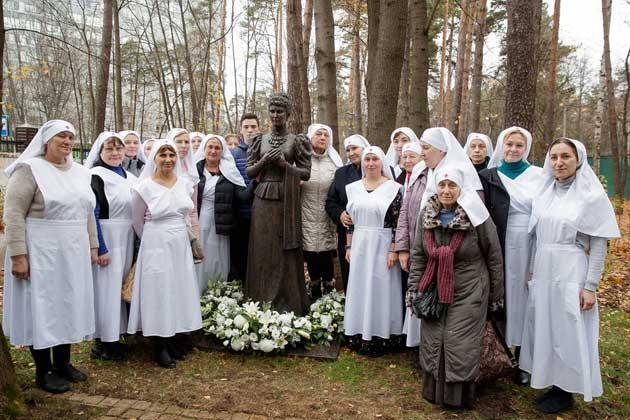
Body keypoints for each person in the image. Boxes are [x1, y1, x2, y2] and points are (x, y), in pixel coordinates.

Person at [519, 138, 620, 413]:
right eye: (553, 157)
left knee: (567, 328)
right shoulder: (544, 192)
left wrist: (590, 286)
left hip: (571, 268)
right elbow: (536, 235)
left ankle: (566, 390)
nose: (559, 163)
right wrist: (531, 269)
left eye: (565, 157)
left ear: (579, 160)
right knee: (546, 325)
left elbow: (599, 243)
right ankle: (549, 379)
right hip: (544, 266)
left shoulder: (590, 196)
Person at [3, 120, 98, 394]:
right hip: (41, 249)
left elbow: (87, 212)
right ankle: (43, 370)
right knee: (43, 307)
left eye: (70, 137)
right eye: (61, 137)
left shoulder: (81, 172)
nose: (67, 141)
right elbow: (13, 215)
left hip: (73, 250)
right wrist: (18, 255)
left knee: (67, 304)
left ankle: (63, 363)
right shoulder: (29, 170)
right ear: (46, 141)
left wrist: (92, 246)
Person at [407, 166, 504, 409]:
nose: (447, 191)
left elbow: (493, 255)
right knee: (434, 335)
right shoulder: (426, 214)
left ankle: (458, 396)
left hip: (470, 286)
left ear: (462, 188)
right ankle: (434, 390)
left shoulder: (475, 215)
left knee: (459, 339)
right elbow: (419, 255)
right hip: (434, 287)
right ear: (435, 187)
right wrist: (414, 290)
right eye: (442, 185)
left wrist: (495, 293)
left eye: (452, 186)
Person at [127, 139, 202, 369]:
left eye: (171, 155)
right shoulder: (144, 187)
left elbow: (189, 215)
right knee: (159, 290)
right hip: (156, 243)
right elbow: (137, 221)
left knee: (179, 289)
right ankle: (159, 345)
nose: (168, 159)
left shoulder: (185, 184)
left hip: (179, 243)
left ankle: (177, 338)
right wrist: (154, 238)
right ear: (154, 159)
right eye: (163, 155)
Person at [478, 126, 543, 385]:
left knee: (526, 299)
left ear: (526, 148)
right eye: (509, 144)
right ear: (501, 147)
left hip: (529, 241)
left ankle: (525, 359)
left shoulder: (538, 175)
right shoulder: (489, 177)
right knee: (500, 295)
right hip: (499, 240)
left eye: (519, 145)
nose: (513, 149)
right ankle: (498, 353)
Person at [244, 93, 311, 315]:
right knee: (263, 249)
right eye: (272, 111)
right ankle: (259, 301)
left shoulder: (297, 141)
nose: (275, 115)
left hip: (286, 201)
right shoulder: (259, 140)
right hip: (263, 200)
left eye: (280, 111)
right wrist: (264, 161)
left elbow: (306, 173)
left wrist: (284, 165)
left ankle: (287, 303)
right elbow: (249, 171)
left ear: (288, 114)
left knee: (284, 252)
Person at [84, 131, 138, 362]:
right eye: (109, 149)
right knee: (106, 289)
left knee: (120, 288)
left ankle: (116, 336)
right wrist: (100, 247)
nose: (115, 153)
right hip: (108, 235)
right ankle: (104, 342)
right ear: (100, 151)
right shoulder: (96, 176)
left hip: (126, 236)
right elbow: (93, 213)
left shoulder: (130, 177)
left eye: (119, 148)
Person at [344, 146, 403, 356]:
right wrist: (349, 245)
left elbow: (399, 222)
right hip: (360, 244)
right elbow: (350, 222)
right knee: (361, 287)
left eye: (375, 159)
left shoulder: (394, 188)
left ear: (382, 162)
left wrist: (394, 250)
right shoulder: (352, 188)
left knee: (382, 288)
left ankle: (382, 334)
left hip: (383, 244)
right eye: (367, 159)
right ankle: (359, 333)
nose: (370, 163)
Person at [194, 134, 251, 294]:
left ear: (223, 151)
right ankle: (197, 295)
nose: (213, 151)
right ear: (204, 149)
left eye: (217, 147)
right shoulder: (195, 169)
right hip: (200, 221)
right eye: (210, 147)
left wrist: (256, 182)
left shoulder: (229, 171)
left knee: (218, 259)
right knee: (200, 259)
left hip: (222, 224)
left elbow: (242, 196)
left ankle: (217, 296)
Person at [302, 123, 343, 299]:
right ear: (310, 137)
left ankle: (329, 294)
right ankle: (313, 292)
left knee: (326, 254)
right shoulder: (302, 159)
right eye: (318, 134)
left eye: (326, 135)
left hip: (327, 216)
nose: (322, 138)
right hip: (305, 214)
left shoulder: (335, 162)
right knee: (310, 255)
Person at [325, 134, 370, 291]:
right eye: (348, 150)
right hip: (347, 234)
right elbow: (330, 202)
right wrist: (340, 214)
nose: (351, 153)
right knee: (350, 275)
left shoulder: (379, 170)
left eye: (355, 148)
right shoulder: (341, 174)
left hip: (373, 234)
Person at [395, 142, 428, 348]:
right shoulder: (411, 179)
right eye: (404, 156)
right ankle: (413, 341)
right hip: (410, 244)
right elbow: (405, 214)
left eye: (413, 156)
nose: (408, 160)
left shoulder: (427, 178)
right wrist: (402, 247)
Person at [418, 127, 482, 210]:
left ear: (441, 149)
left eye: (426, 148)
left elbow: (474, 209)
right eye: (421, 148)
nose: (421, 153)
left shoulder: (462, 171)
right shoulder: (421, 169)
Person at [229, 113, 260, 282]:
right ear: (240, 130)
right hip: (241, 216)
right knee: (241, 258)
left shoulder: (265, 151)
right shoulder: (233, 155)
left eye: (253, 127)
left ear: (259, 128)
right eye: (246, 127)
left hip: (263, 214)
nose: (250, 131)